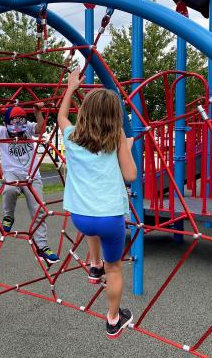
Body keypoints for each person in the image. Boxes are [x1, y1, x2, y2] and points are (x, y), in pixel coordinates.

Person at [58, 67, 137, 339]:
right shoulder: (116, 140)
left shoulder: (71, 137)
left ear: (84, 113)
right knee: (114, 268)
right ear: (115, 117)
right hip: (109, 218)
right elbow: (130, 176)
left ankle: (94, 265)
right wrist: (125, 147)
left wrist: (70, 89)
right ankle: (114, 319)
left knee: (91, 231)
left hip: (80, 217)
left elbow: (61, 117)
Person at [0, 100, 59, 264]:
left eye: (21, 122)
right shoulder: (2, 131)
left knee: (39, 208)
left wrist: (38, 113)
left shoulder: (28, 128)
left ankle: (42, 246)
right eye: (14, 123)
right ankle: (8, 216)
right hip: (12, 173)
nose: (18, 127)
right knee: (9, 189)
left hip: (32, 174)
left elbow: (41, 129)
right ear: (7, 123)